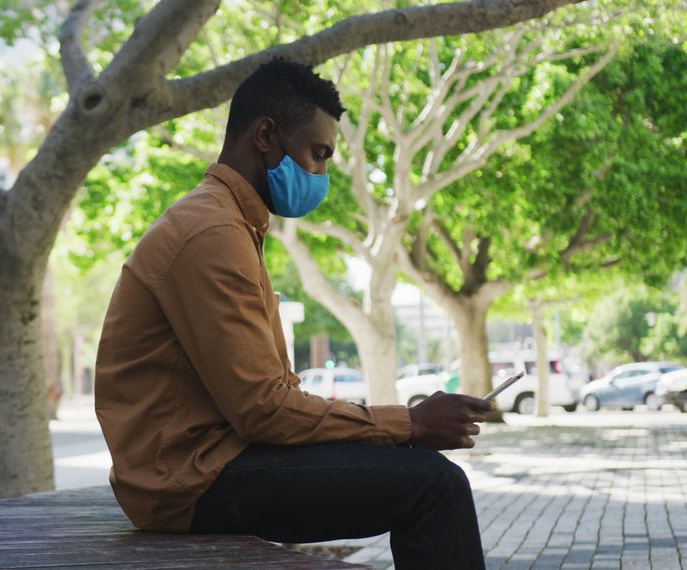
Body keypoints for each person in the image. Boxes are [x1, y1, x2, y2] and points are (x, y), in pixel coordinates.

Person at [95, 58, 492, 569]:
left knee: (418, 470)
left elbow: (265, 402)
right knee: (434, 484)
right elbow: (263, 409)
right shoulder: (212, 234)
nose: (321, 174)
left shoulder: (228, 224)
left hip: (216, 462)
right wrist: (409, 423)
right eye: (318, 154)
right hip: (190, 484)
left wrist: (402, 429)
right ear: (266, 135)